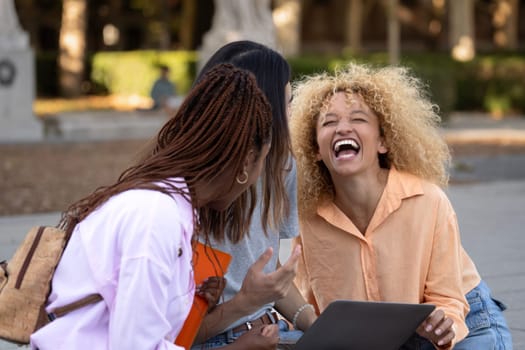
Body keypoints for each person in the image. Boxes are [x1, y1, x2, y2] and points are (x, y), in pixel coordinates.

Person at [29, 63, 275, 350]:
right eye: (263, 160)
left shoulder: (164, 209)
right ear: (246, 162)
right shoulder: (156, 216)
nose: (257, 177)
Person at [290, 63, 513, 349]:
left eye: (358, 119)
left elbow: (448, 300)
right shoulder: (307, 219)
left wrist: (443, 327)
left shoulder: (427, 200)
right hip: (382, 338)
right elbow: (311, 309)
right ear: (316, 151)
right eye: (329, 122)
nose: (342, 127)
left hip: (464, 322)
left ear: (383, 141)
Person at [191, 41, 317, 350]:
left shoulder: (284, 164)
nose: (293, 112)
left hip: (272, 330)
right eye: (287, 102)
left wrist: (316, 324)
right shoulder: (190, 191)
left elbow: (277, 276)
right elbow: (176, 334)